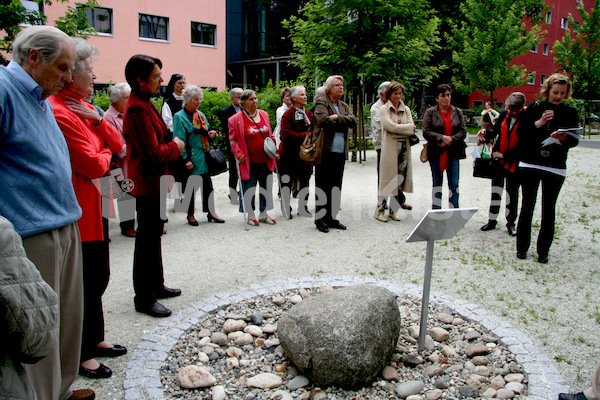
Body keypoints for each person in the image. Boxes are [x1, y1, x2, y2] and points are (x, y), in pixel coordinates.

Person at [0, 25, 95, 400]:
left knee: (65, 322)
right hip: (30, 233)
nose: (69, 77)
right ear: (34, 58)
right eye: (62, 67)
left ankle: (60, 390)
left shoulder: (38, 95)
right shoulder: (5, 91)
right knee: (37, 328)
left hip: (61, 224)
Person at [49, 37, 127, 381]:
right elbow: (97, 164)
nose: (95, 78)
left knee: (98, 277)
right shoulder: (58, 110)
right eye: (90, 71)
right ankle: (80, 352)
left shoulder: (86, 109)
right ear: (72, 73)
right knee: (83, 283)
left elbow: (118, 145)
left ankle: (94, 338)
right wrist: (105, 155)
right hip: (80, 209)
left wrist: (98, 126)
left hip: (98, 203)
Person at [123, 55, 185, 317]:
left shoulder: (146, 103)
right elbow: (152, 153)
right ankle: (144, 297)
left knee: (154, 236)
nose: (161, 80)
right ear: (140, 80)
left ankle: (156, 285)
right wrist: (176, 147)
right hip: (147, 183)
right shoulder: (137, 107)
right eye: (156, 76)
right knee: (146, 241)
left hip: (155, 182)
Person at [516, 73, 579, 264]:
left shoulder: (570, 112)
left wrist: (564, 138)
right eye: (555, 92)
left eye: (562, 93)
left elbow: (574, 140)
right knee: (527, 206)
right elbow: (521, 132)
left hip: (555, 166)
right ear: (547, 90)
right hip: (530, 163)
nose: (558, 96)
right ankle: (522, 248)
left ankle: (543, 251)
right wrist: (540, 123)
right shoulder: (536, 107)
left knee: (549, 209)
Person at [173, 85, 225, 225]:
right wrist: (186, 159)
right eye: (196, 99)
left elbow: (205, 132)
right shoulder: (179, 117)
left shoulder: (200, 115)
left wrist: (210, 134)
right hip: (191, 155)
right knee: (191, 186)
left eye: (199, 99)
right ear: (187, 100)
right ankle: (190, 214)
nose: (199, 101)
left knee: (208, 185)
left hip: (204, 154)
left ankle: (211, 212)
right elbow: (179, 139)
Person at [477, 92, 527, 236]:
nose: (512, 112)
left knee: (512, 192)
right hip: (498, 160)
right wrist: (485, 132)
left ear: (521, 107)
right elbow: (495, 131)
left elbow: (524, 145)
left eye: (515, 109)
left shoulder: (526, 118)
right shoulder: (505, 114)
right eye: (510, 109)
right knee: (496, 190)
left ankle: (511, 223)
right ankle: (492, 221)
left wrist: (505, 155)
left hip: (514, 161)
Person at [313, 75, 357, 233]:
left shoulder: (343, 105)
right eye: (337, 85)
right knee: (323, 185)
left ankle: (332, 217)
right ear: (329, 88)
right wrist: (343, 120)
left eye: (342, 85)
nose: (341, 88)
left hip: (340, 151)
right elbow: (324, 121)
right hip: (325, 150)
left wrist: (338, 117)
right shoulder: (321, 102)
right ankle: (320, 219)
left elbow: (354, 121)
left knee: (336, 185)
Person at [229, 89, 278, 226]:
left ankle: (263, 214)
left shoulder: (264, 115)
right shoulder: (235, 119)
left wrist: (274, 147)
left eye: (255, 98)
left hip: (266, 158)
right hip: (249, 160)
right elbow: (232, 140)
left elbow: (270, 133)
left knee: (266, 186)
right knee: (249, 187)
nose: (255, 101)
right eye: (251, 99)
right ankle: (250, 215)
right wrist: (239, 154)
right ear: (243, 102)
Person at [422, 83, 467, 209]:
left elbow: (463, 131)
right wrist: (441, 137)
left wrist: (451, 139)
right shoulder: (430, 112)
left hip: (453, 151)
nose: (446, 98)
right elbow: (426, 131)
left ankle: (454, 210)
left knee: (454, 183)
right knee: (437, 182)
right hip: (436, 151)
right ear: (437, 98)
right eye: (443, 96)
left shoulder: (457, 112)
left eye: (448, 95)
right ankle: (436, 211)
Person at [376, 81, 416, 222]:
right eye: (395, 93)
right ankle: (380, 210)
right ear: (389, 94)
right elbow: (390, 126)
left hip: (404, 148)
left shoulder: (406, 109)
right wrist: (406, 128)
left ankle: (393, 210)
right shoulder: (384, 109)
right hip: (390, 148)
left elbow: (411, 127)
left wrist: (402, 129)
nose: (398, 96)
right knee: (387, 179)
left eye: (400, 93)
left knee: (399, 178)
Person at [104, 82, 136, 237]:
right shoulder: (109, 117)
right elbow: (115, 143)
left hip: (132, 160)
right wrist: (134, 149)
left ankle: (132, 223)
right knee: (125, 193)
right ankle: (127, 226)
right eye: (126, 97)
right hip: (119, 162)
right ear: (116, 101)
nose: (129, 100)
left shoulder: (128, 113)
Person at [279, 85, 314, 218]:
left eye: (305, 94)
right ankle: (286, 208)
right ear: (294, 98)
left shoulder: (309, 114)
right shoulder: (287, 115)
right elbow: (286, 135)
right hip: (289, 154)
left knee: (305, 181)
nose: (305, 97)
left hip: (305, 154)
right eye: (301, 95)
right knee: (287, 181)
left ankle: (303, 207)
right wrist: (305, 135)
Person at [218, 87, 243, 204]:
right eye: (238, 97)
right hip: (233, 143)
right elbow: (226, 130)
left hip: (244, 143)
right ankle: (233, 193)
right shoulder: (225, 112)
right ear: (232, 98)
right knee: (233, 169)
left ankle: (243, 192)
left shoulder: (245, 110)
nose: (240, 100)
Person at [370, 81, 390, 209]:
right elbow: (383, 125)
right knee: (383, 175)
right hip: (382, 144)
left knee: (398, 173)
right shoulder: (376, 108)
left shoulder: (396, 105)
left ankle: (398, 199)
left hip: (395, 144)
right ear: (382, 94)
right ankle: (381, 202)